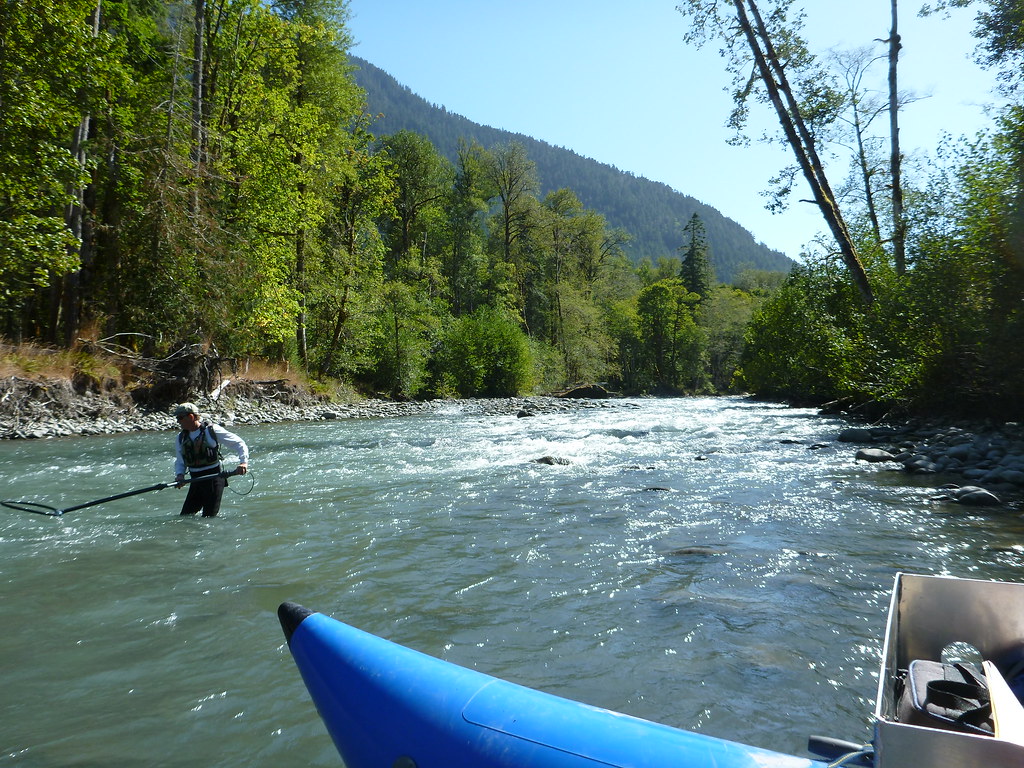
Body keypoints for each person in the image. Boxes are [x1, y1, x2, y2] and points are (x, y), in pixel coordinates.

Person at [173, 402, 249, 517]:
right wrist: (180, 475)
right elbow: (180, 460)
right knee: (185, 517)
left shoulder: (211, 430)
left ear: (191, 417)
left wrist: (243, 462)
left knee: (209, 518)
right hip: (195, 481)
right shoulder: (180, 438)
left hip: (214, 479)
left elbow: (239, 443)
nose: (178, 421)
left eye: (180, 418)